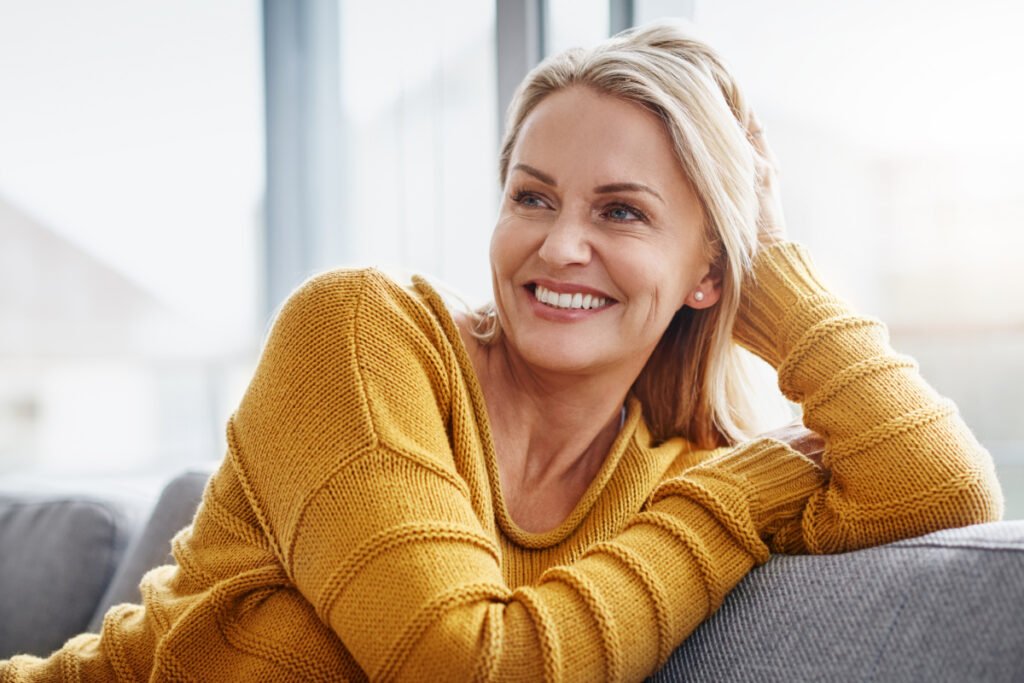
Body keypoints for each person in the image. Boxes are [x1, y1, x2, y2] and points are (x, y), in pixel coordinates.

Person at [1, 21, 1002, 683]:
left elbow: (941, 488)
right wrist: (733, 503)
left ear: (707, 273)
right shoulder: (361, 335)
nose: (558, 244)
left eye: (621, 211)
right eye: (531, 196)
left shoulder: (671, 476)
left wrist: (766, 265)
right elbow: (461, 664)